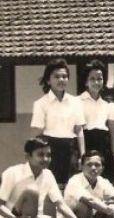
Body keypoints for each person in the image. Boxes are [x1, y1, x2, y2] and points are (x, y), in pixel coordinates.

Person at [0, 138, 91, 218]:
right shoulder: (12, 173)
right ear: (28, 156)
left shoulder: (48, 174)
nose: (46, 159)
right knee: (32, 192)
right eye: (40, 155)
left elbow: (60, 205)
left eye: (48, 155)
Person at [30, 58, 85, 186]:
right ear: (48, 80)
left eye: (64, 76)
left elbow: (79, 130)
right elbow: (38, 134)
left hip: (71, 149)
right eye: (56, 76)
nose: (61, 80)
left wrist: (83, 155)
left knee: (71, 186)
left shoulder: (76, 102)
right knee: (50, 187)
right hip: (50, 149)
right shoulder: (40, 104)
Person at [78, 60, 114, 181]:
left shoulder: (106, 104)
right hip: (86, 142)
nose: (96, 82)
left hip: (103, 145)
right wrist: (82, 155)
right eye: (92, 79)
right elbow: (78, 130)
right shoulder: (77, 101)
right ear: (86, 81)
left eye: (100, 78)